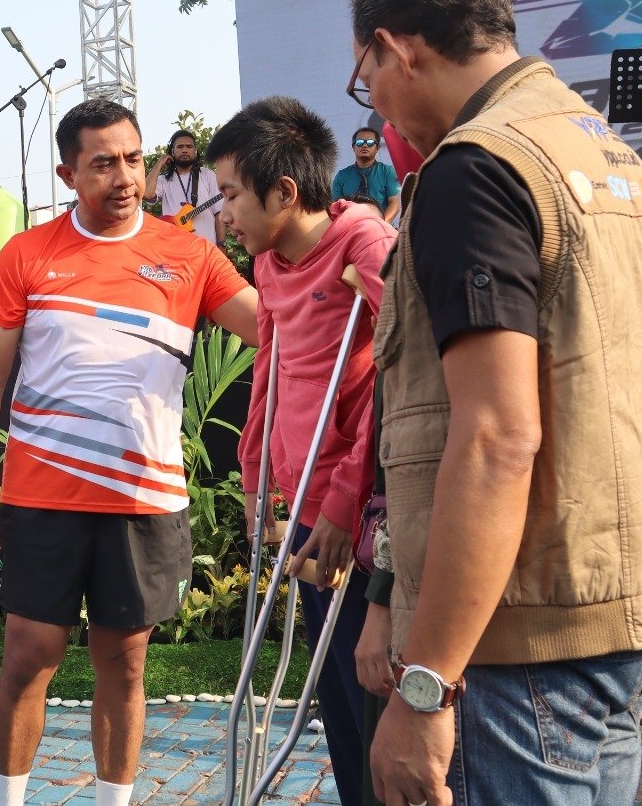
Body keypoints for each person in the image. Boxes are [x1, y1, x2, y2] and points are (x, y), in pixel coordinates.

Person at [348, 0, 642, 806]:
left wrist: (426, 686)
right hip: (623, 611)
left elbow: (495, 437)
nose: (377, 103)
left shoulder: (476, 169)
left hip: (524, 636)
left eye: (367, 77)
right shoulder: (606, 153)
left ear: (396, 48)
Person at [0, 98, 259, 806]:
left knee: (123, 664)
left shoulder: (190, 254)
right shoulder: (28, 254)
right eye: (102, 164)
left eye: (132, 159)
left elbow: (271, 326)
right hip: (41, 496)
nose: (124, 178)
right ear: (68, 174)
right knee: (29, 656)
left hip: (142, 499)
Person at [208, 95, 396, 806]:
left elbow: (403, 372)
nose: (224, 213)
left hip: (359, 518)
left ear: (284, 191)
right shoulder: (268, 264)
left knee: (372, 701)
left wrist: (346, 502)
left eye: (232, 194)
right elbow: (271, 367)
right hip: (305, 509)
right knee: (338, 704)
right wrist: (256, 474)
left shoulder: (363, 244)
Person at [144, 128, 228, 244]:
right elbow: (146, 193)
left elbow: (219, 212)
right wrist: (159, 163)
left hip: (206, 247)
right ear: (172, 152)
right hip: (174, 246)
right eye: (180, 147)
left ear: (195, 151)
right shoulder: (164, 180)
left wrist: (221, 244)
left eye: (189, 147)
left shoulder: (207, 175)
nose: (184, 150)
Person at [331, 126, 403, 224]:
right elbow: (335, 207)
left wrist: (380, 224)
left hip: (381, 227)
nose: (365, 145)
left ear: (377, 148)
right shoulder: (342, 175)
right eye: (360, 142)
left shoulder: (388, 172)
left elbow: (394, 203)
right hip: (350, 229)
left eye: (370, 143)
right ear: (353, 147)